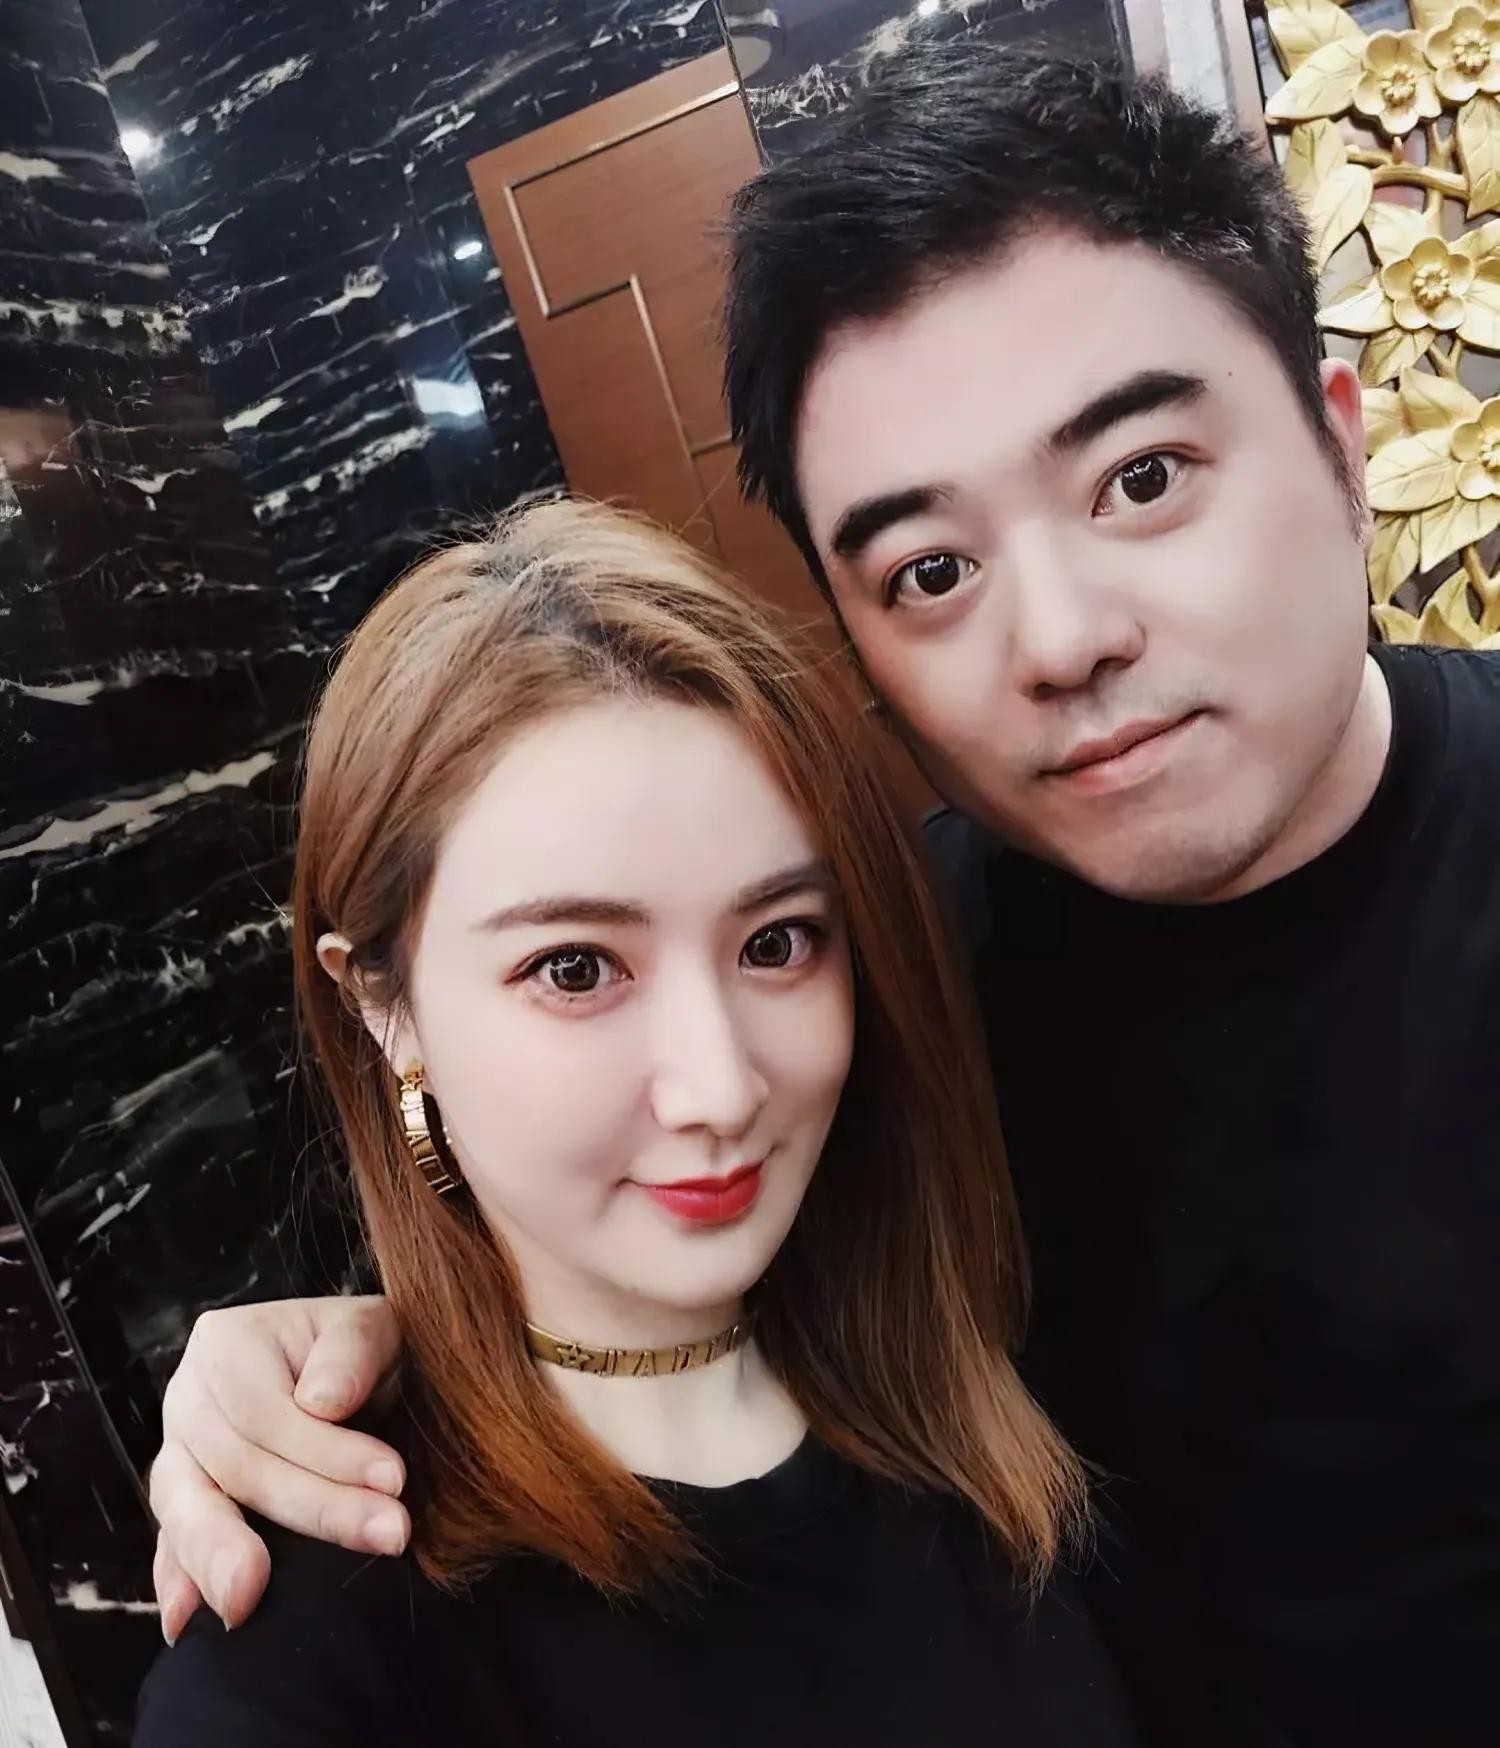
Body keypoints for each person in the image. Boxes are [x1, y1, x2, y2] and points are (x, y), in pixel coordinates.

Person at [146, 44, 1500, 1748]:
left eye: (1143, 478)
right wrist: (313, 1370)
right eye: (930, 569)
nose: (1062, 634)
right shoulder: (889, 994)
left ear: (1342, 442)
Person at [134, 496, 1139, 1746]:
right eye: (575, 968)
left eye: (778, 942)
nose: (720, 1087)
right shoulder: (314, 1648)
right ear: (383, 1007)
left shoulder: (1004, 1360)